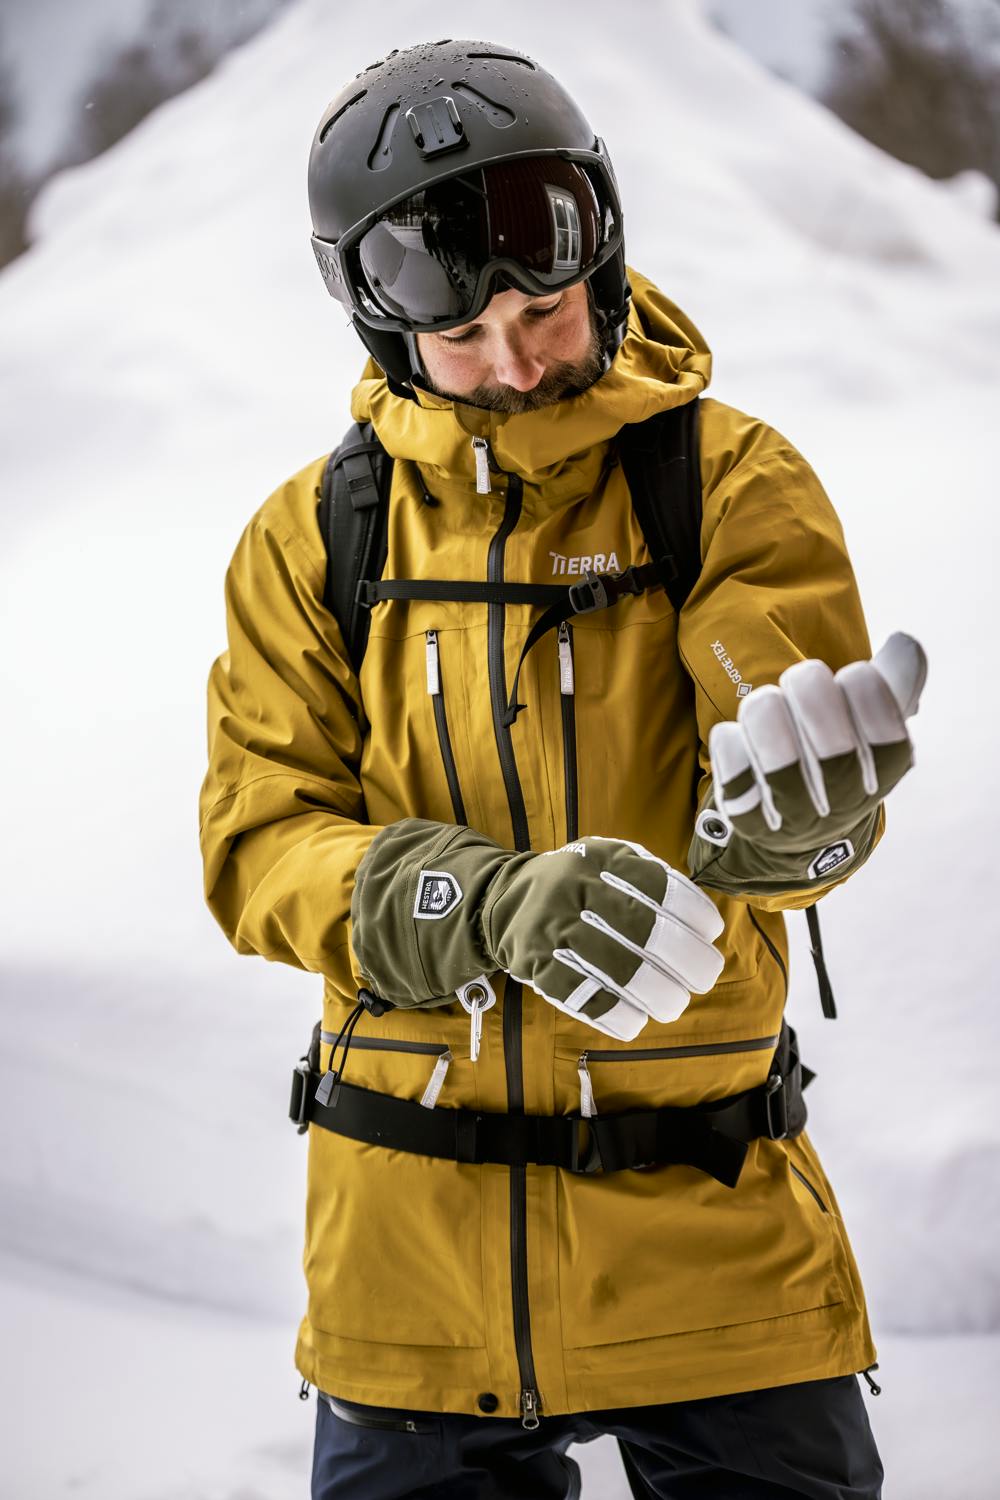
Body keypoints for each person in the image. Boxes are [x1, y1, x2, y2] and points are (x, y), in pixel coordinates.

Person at [199, 39, 927, 1499]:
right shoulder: (313, 539)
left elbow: (773, 707)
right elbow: (260, 846)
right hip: (409, 1275)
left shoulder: (722, 480)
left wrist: (798, 817)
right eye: (465, 337)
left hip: (716, 1253)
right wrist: (471, 903)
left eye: (543, 308)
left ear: (601, 250)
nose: (516, 361)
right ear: (381, 322)